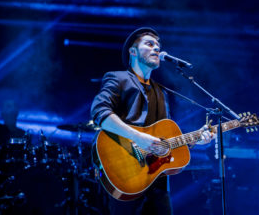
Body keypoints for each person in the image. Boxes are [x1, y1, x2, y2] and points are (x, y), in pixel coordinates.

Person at [91, 27, 216, 215]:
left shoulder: (162, 92)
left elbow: (166, 139)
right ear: (133, 52)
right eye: (149, 44)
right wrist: (139, 138)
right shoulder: (118, 78)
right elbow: (99, 112)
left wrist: (196, 139)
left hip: (157, 182)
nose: (156, 48)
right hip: (126, 173)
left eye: (158, 45)